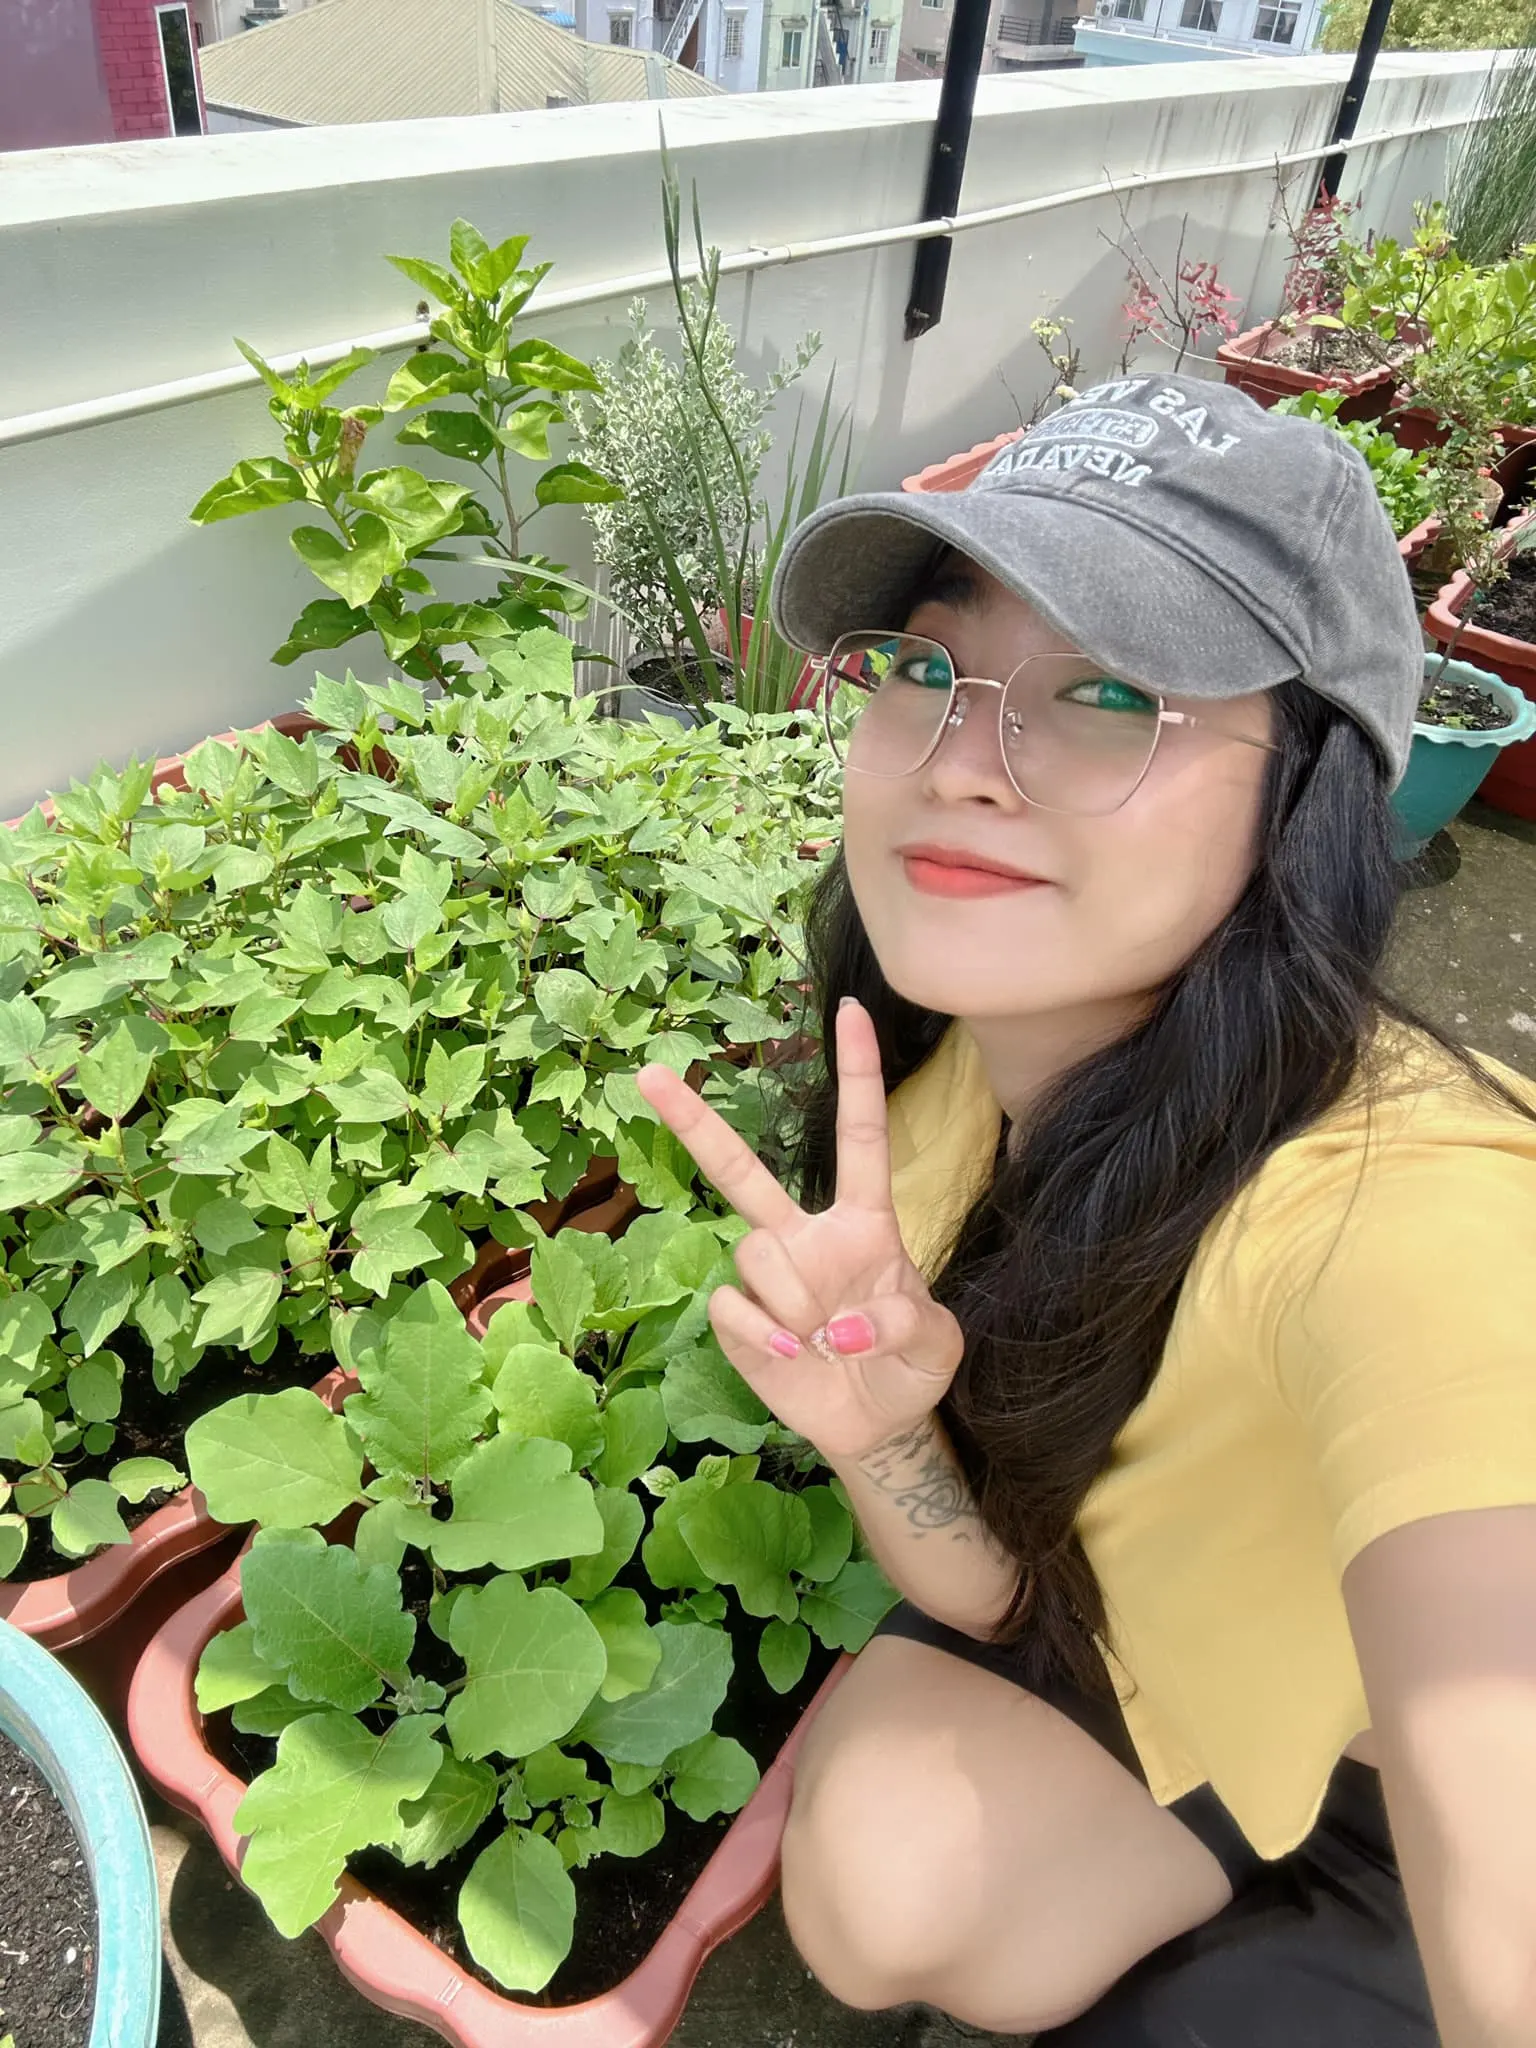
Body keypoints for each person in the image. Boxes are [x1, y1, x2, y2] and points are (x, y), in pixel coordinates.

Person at [635, 375, 1536, 2046]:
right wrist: (883, 1432)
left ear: (1306, 798)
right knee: (880, 1892)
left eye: (1111, 691)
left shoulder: (1405, 1213)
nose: (965, 760)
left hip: (1395, 1808)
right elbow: (996, 1598)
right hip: (1168, 1683)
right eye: (924, 667)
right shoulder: (941, 1090)